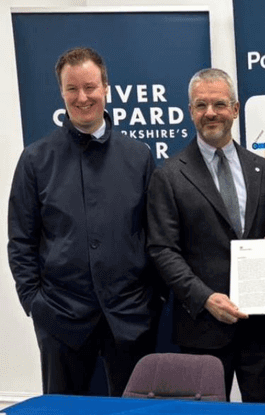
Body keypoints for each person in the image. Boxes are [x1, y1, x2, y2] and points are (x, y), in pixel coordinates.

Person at [8, 47, 158, 396]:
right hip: (60, 319)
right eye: (72, 89)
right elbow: (21, 240)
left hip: (130, 316)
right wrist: (35, 304)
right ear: (61, 93)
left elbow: (155, 233)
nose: (82, 97)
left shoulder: (138, 156)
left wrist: (152, 299)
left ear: (106, 88)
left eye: (90, 87)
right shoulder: (35, 159)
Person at [146, 69, 265, 401]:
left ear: (235, 109)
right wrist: (205, 298)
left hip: (260, 326)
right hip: (202, 327)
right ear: (191, 111)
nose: (211, 112)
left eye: (219, 104)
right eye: (201, 105)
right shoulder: (169, 176)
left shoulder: (264, 170)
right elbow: (163, 250)